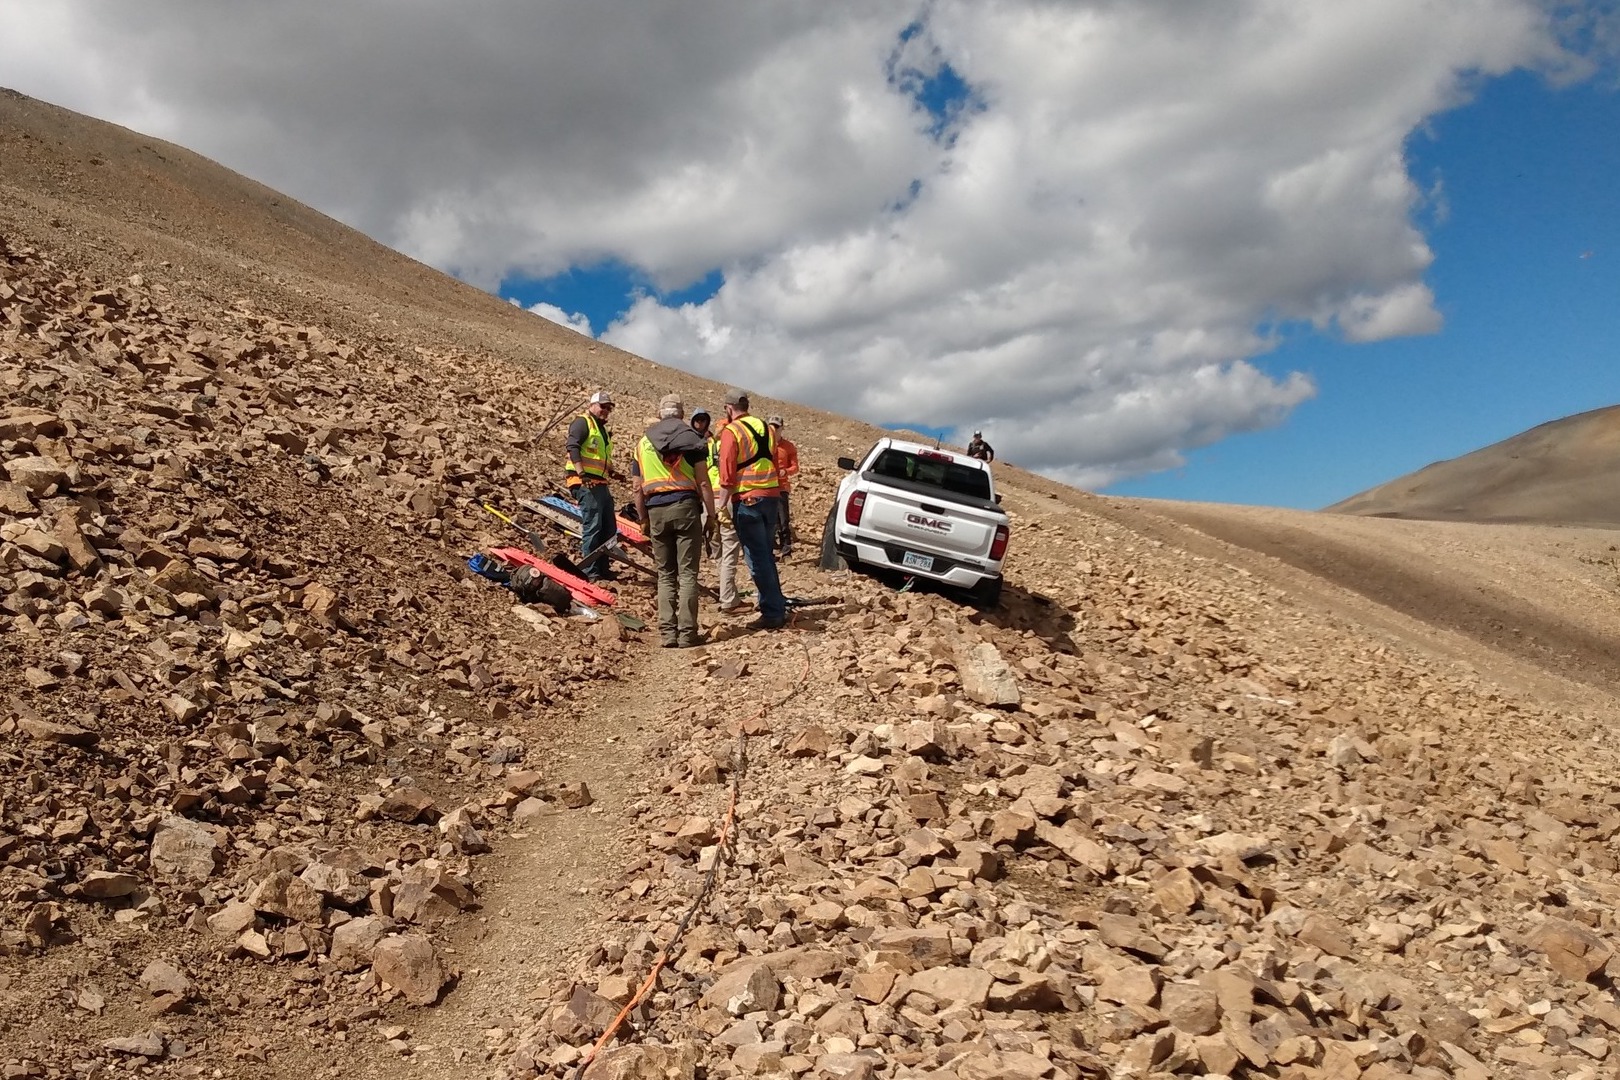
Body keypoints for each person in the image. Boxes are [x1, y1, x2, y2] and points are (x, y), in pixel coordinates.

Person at [633, 395, 715, 648]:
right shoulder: (693, 439)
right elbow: (703, 481)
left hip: (656, 511)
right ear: (681, 415)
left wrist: (643, 518)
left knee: (666, 574)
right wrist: (711, 516)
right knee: (688, 573)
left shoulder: (643, 443)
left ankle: (668, 633)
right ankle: (687, 633)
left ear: (660, 414)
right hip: (685, 508)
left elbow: (637, 487)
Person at [716, 388, 785, 630]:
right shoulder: (767, 428)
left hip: (747, 500)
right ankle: (776, 604)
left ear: (729, 408)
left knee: (757, 558)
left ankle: (773, 612)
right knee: (766, 554)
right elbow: (773, 460)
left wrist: (720, 505)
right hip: (771, 497)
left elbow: (726, 472)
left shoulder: (731, 431)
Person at [564, 390, 624, 582]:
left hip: (600, 482)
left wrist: (612, 471)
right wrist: (581, 473)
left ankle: (603, 568)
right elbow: (572, 447)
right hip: (585, 482)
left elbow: (599, 456)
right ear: (592, 405)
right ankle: (590, 571)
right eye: (602, 406)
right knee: (593, 525)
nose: (605, 411)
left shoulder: (602, 429)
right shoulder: (583, 422)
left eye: (608, 408)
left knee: (608, 527)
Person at [767, 415, 799, 557]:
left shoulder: (788, 447)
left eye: (776, 427)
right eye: (771, 426)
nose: (773, 430)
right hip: (766, 487)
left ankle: (786, 551)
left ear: (782, 429)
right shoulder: (764, 444)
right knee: (770, 520)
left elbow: (795, 467)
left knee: (783, 520)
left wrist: (785, 471)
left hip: (781, 487)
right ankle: (771, 549)